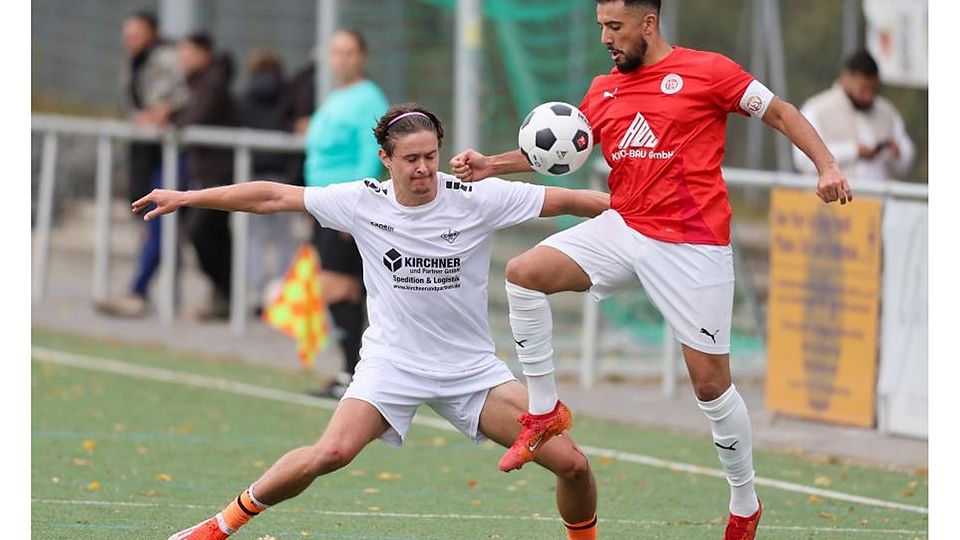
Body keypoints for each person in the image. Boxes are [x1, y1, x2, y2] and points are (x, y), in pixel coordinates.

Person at [449, 1, 852, 538]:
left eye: (614, 28)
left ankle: (744, 503)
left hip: (693, 244)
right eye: (600, 28)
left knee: (710, 386)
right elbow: (562, 146)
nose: (605, 39)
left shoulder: (709, 72)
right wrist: (492, 165)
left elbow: (780, 112)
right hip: (626, 227)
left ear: (648, 23)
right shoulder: (602, 90)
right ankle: (543, 412)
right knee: (524, 272)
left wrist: (825, 165)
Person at [135, 104, 608, 540]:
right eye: (410, 159)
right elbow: (272, 197)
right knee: (330, 454)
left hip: (471, 371)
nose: (423, 168)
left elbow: (572, 201)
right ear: (385, 158)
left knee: (573, 466)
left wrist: (642, 212)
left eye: (430, 156)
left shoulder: (478, 198)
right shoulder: (362, 201)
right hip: (393, 364)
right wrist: (188, 196)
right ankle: (219, 526)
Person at [302, 30, 389, 398]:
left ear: (362, 56)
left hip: (344, 207)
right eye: (336, 52)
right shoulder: (336, 96)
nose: (342, 59)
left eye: (349, 52)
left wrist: (355, 209)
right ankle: (352, 371)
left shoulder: (369, 98)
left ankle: (355, 374)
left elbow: (369, 155)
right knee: (340, 287)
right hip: (322, 204)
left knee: (341, 286)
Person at [95, 10, 187, 317]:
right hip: (145, 151)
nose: (129, 38)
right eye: (127, 32)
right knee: (151, 221)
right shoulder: (131, 60)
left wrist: (162, 113)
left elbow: (176, 100)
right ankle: (146, 290)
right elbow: (131, 105)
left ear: (151, 32)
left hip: (171, 153)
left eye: (136, 32)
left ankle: (138, 290)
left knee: (160, 220)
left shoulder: (167, 58)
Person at [172, 32, 239, 320]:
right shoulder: (200, 81)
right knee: (212, 235)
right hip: (207, 172)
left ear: (204, 53)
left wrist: (171, 118)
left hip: (218, 174)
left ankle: (226, 294)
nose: (182, 58)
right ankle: (223, 295)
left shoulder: (213, 82)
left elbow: (195, 117)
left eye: (188, 52)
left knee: (202, 233)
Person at [793, 48, 916, 181]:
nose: (869, 96)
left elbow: (905, 162)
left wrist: (896, 154)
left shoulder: (887, 112)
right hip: (831, 201)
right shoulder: (816, 109)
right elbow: (803, 161)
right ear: (846, 78)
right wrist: (854, 151)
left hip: (879, 200)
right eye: (863, 89)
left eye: (873, 89)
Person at [236, 50, 298, 313]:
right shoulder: (289, 95)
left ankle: (257, 293)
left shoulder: (244, 96)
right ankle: (281, 292)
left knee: (254, 238)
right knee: (284, 239)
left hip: (253, 173)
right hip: (283, 175)